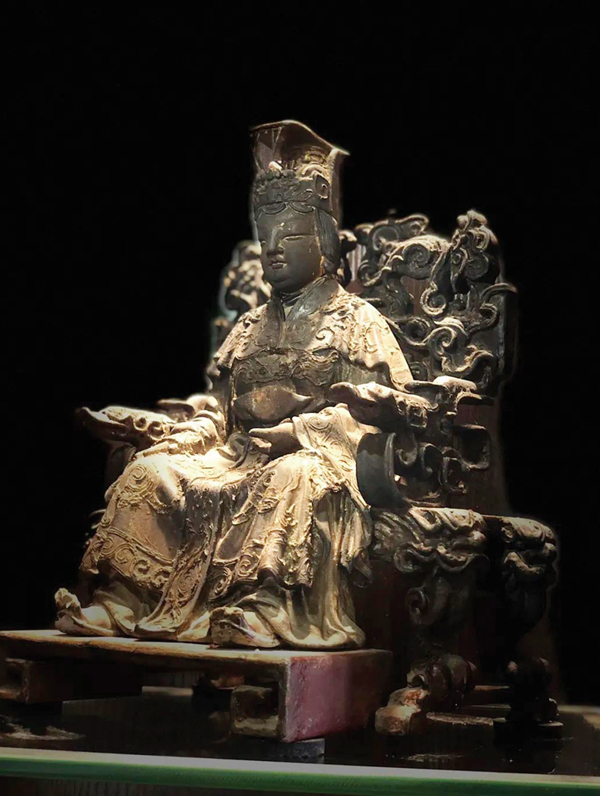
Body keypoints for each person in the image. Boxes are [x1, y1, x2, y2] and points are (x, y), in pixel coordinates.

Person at [55, 120, 413, 649]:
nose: (273, 251)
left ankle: (266, 608)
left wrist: (301, 433)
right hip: (236, 456)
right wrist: (167, 433)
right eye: (266, 239)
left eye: (290, 236)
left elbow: (377, 413)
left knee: (292, 477)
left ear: (323, 242)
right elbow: (218, 415)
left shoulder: (357, 322)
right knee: (151, 473)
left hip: (313, 460)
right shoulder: (247, 328)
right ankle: (123, 600)